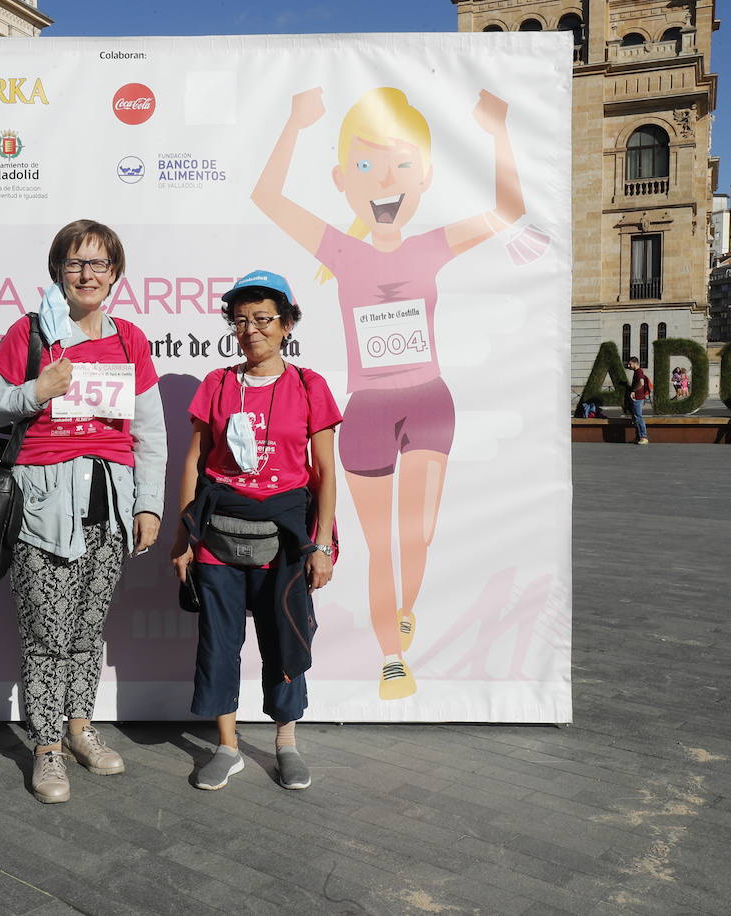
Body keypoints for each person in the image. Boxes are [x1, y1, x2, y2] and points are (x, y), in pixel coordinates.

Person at [251, 84, 533, 699]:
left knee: (418, 534)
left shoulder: (432, 246)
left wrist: (498, 131)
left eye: (402, 163)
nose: (385, 178)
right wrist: (296, 123)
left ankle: (404, 606)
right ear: (341, 178)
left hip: (429, 401)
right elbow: (267, 196)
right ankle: (392, 656)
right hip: (370, 410)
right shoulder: (342, 251)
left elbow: (508, 209)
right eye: (366, 164)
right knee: (380, 544)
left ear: (425, 176)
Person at [0, 219, 165, 803]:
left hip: (110, 502)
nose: (87, 274)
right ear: (58, 270)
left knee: (87, 632)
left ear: (115, 276)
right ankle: (47, 749)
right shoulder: (30, 334)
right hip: (44, 504)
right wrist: (37, 390)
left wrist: (149, 504)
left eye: (99, 264)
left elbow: (150, 432)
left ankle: (81, 729)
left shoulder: (129, 339)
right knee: (45, 636)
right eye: (76, 263)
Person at [170, 270, 341, 791]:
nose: (251, 330)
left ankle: (285, 742)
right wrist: (183, 538)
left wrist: (322, 544)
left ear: (287, 323)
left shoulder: (309, 386)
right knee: (218, 644)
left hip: (286, 535)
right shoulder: (217, 384)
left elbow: (326, 471)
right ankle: (226, 746)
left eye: (264, 319)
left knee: (284, 637)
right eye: (241, 320)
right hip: (219, 532)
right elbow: (195, 461)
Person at [627, 356, 651, 444]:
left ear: (635, 363)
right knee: (636, 418)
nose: (629, 366)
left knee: (638, 417)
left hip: (638, 398)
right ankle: (639, 437)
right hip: (637, 397)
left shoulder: (639, 371)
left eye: (630, 364)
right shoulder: (637, 372)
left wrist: (633, 391)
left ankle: (644, 437)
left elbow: (641, 383)